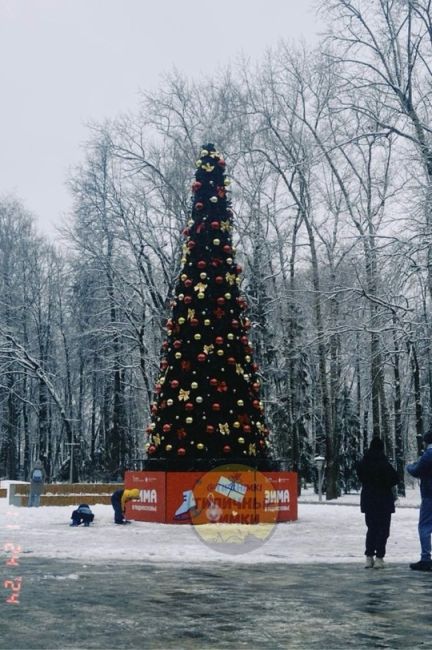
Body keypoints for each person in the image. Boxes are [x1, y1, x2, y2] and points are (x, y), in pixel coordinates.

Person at [356, 437, 398, 569]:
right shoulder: (384, 463)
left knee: (371, 528)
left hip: (369, 499)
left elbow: (360, 475)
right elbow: (395, 478)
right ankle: (379, 557)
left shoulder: (363, 462)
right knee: (383, 530)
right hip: (383, 500)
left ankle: (369, 557)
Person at [406, 430, 432, 571]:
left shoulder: (428, 455)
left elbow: (416, 470)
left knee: (425, 527)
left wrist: (409, 466)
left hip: (429, 495)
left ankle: (426, 558)